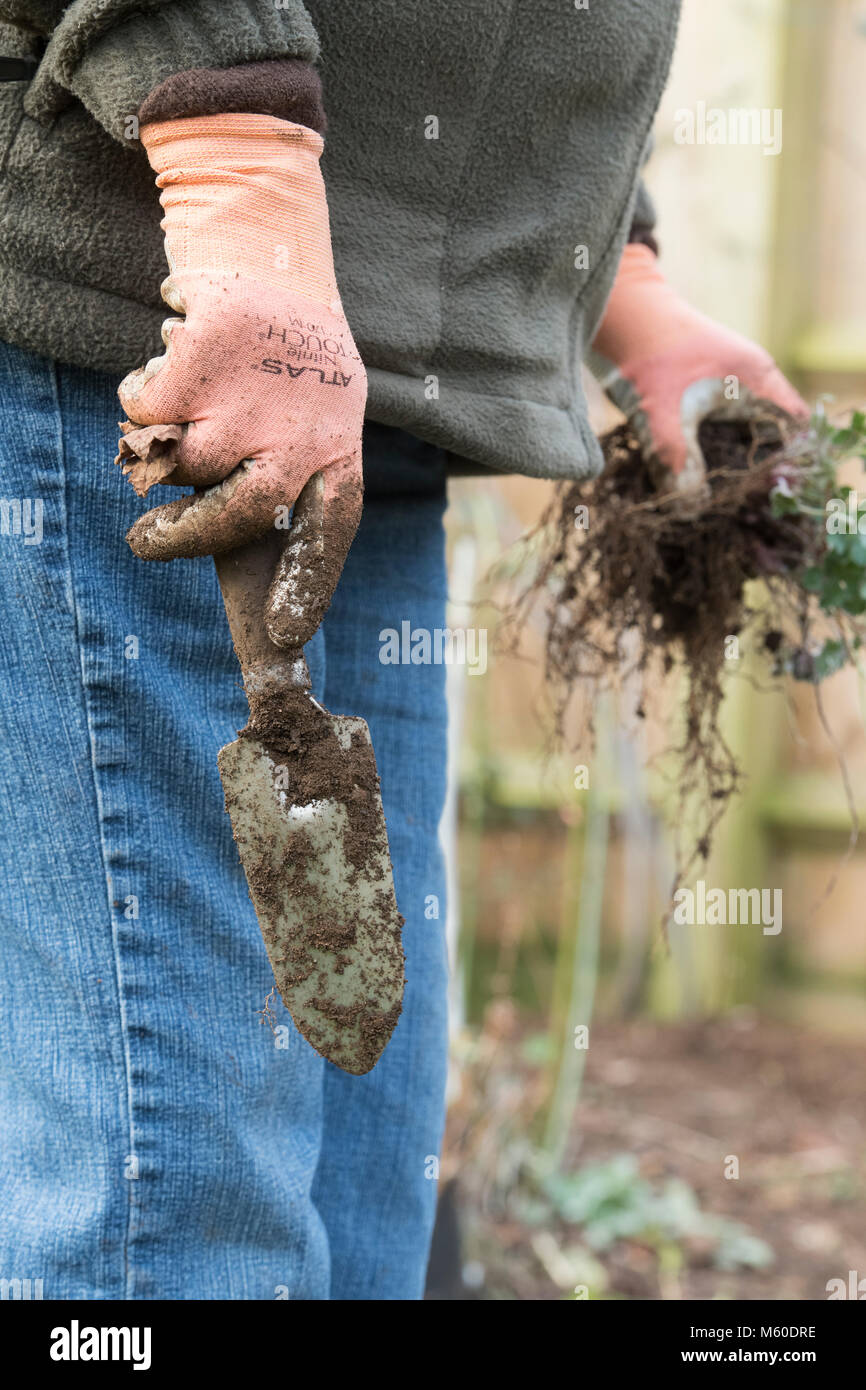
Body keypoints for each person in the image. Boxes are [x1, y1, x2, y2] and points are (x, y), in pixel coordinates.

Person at [0, 1, 805, 1300]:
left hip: (370, 378)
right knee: (176, 1215)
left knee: (363, 1194)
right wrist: (238, 171)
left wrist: (620, 277)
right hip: (159, 327)